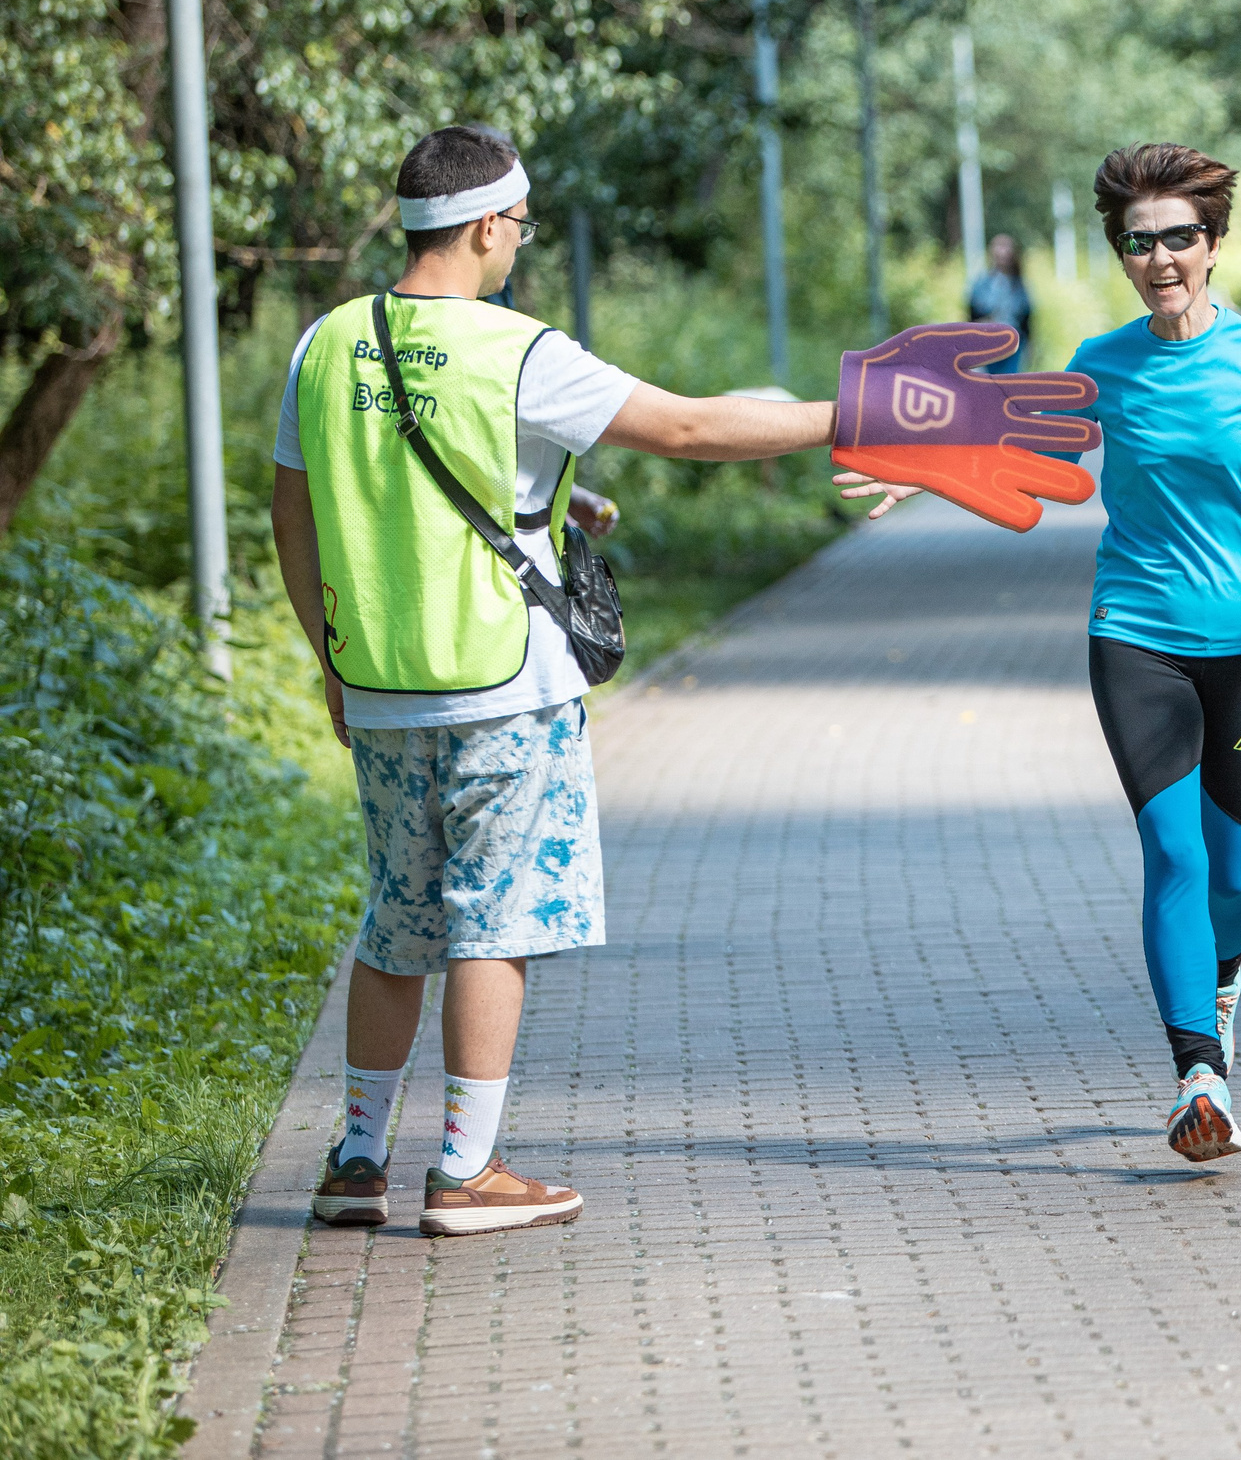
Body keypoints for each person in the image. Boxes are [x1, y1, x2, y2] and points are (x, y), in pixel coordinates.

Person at [276, 125, 849, 1236]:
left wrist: (329, 659)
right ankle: (466, 1170)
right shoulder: (520, 350)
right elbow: (686, 425)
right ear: (489, 224)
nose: (520, 246)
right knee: (494, 924)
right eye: (521, 227)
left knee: (396, 924)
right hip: (506, 689)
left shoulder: (328, 344)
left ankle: (355, 1160)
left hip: (382, 686)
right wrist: (852, 419)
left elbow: (296, 515)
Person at [847, 143, 1241, 1161]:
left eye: (1178, 237)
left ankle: (1221, 988)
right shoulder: (1102, 362)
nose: (1160, 257)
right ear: (1124, 258)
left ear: (1213, 245)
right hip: (1134, 634)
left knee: (1235, 875)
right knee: (1173, 854)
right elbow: (1016, 442)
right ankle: (1199, 1075)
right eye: (1139, 243)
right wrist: (916, 471)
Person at [966, 233, 1035, 373]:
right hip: (987, 341)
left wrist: (1030, 347)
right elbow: (972, 313)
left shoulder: (1020, 284)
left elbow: (1027, 317)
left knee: (1010, 382)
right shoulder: (982, 283)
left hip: (1014, 342)